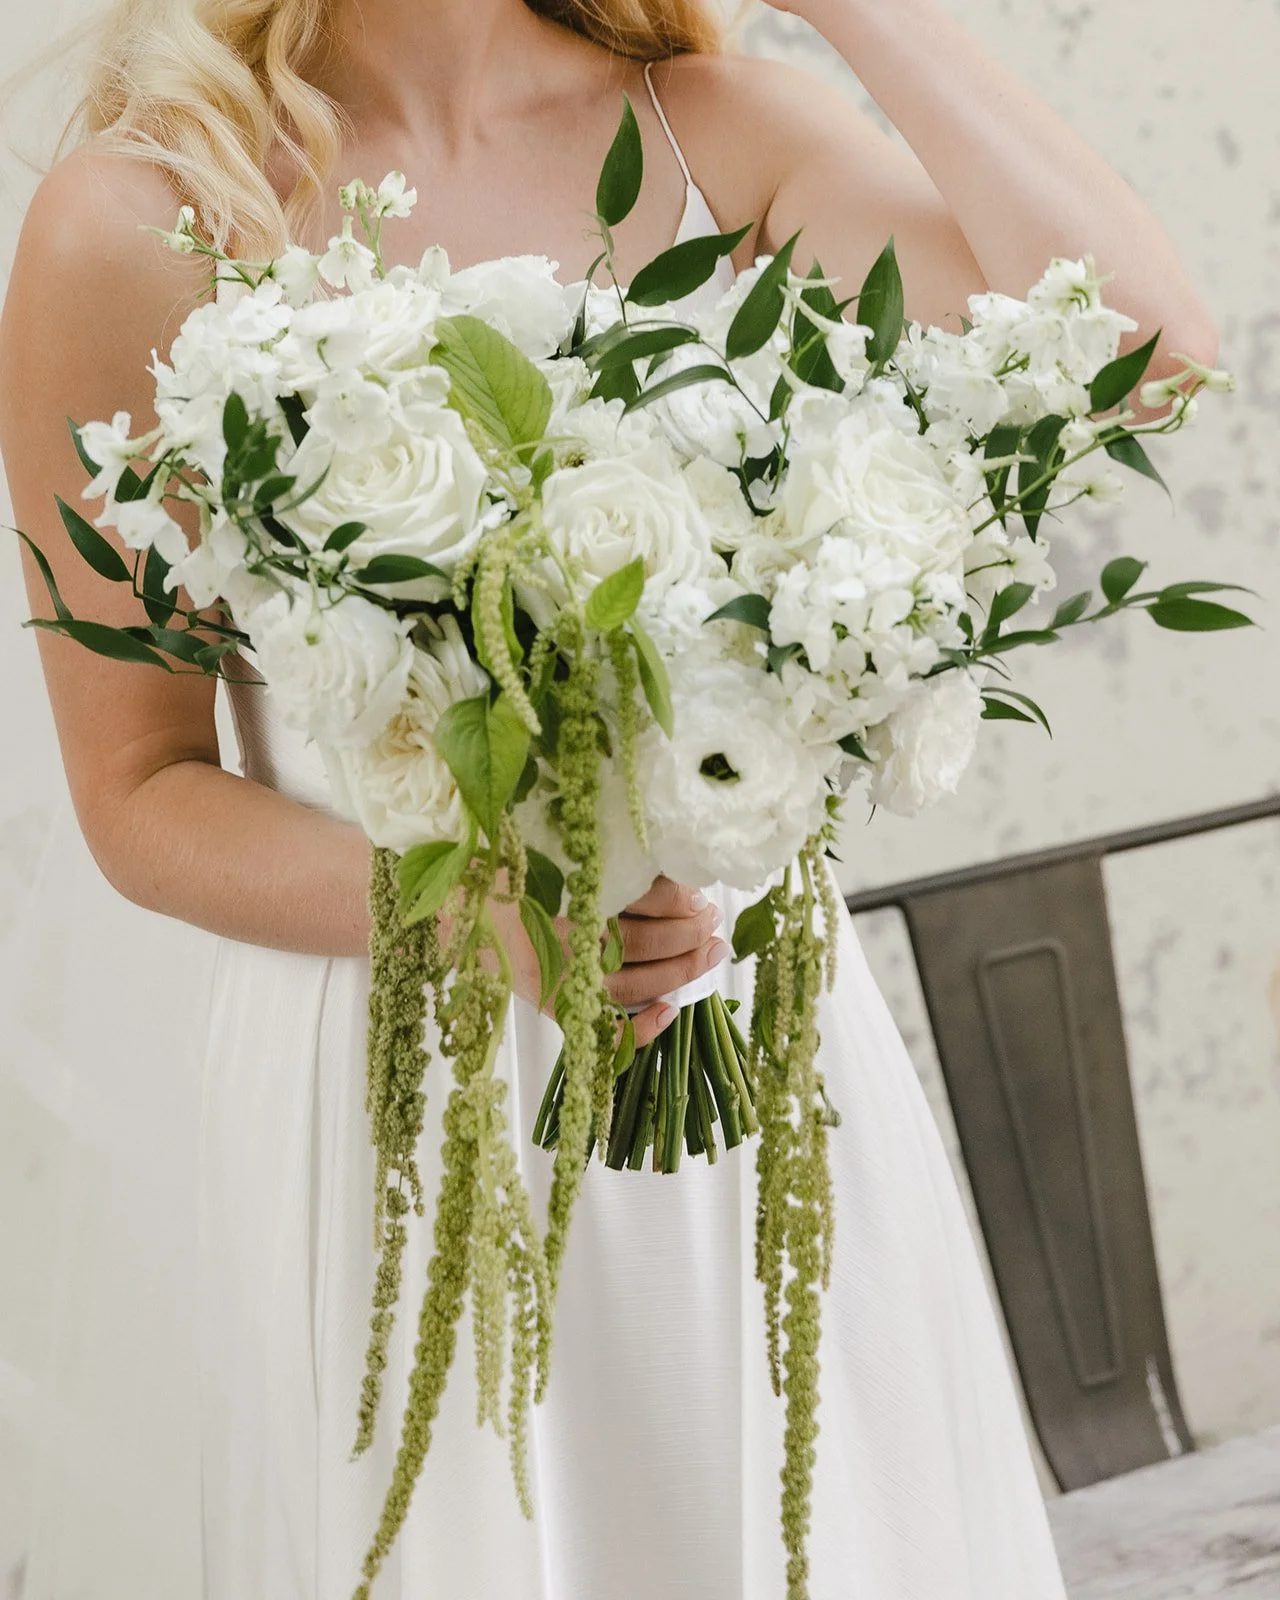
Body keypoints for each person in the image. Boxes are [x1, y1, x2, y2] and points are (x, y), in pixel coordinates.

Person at [0, 0, 1215, 1594]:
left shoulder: (721, 131)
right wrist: (464, 911)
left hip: (759, 1047)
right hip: (404, 1087)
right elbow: (140, 786)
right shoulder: (148, 214)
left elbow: (1145, 354)